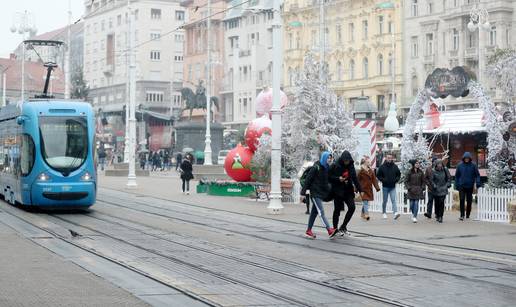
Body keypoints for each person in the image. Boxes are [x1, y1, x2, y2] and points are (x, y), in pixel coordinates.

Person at [300, 151, 337, 239]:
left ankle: (308, 231)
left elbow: (326, 182)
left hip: (320, 194)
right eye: (328, 158)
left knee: (314, 213)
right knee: (321, 212)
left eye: (330, 158)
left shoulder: (326, 168)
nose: (329, 159)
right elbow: (308, 180)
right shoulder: (316, 167)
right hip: (315, 193)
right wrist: (303, 193)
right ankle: (329, 230)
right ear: (324, 158)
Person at [329, 151, 362, 236]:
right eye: (345, 161)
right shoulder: (335, 165)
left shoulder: (351, 166)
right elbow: (329, 177)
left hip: (348, 191)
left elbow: (354, 178)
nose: (346, 162)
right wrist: (338, 179)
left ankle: (343, 226)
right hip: (338, 191)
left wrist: (360, 189)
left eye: (348, 161)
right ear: (342, 160)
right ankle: (335, 228)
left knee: (352, 207)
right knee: (337, 210)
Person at [455, 152, 481, 220]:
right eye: (465, 158)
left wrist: (478, 182)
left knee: (469, 201)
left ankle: (468, 214)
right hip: (462, 185)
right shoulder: (459, 165)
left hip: (470, 186)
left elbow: (477, 175)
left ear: (470, 158)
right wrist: (456, 184)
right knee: (462, 200)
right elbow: (457, 176)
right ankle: (462, 215)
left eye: (468, 158)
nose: (466, 159)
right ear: (463, 158)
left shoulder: (473, 165)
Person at [376, 154, 401, 220]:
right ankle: (384, 213)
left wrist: (396, 180)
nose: (389, 159)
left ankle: (395, 213)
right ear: (386, 158)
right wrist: (383, 180)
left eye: (390, 158)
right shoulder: (382, 167)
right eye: (388, 158)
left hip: (392, 186)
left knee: (393, 200)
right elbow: (378, 175)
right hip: (385, 187)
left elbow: (398, 174)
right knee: (385, 200)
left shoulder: (395, 166)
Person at [357, 157, 380, 221]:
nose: (369, 163)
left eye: (369, 162)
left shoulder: (371, 171)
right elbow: (357, 180)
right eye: (368, 162)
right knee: (365, 202)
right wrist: (356, 189)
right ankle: (366, 215)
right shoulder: (361, 171)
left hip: (369, 189)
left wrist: (377, 188)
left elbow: (374, 180)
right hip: (362, 189)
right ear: (365, 163)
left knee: (366, 202)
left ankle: (362, 213)